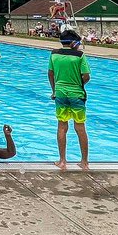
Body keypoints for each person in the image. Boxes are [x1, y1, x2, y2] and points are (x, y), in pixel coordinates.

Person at [49, 30, 90, 170]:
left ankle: (62, 161)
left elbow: (50, 74)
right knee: (80, 127)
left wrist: (54, 90)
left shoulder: (54, 54)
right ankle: (84, 162)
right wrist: (78, 85)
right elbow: (86, 76)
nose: (79, 46)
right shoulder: (80, 56)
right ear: (73, 43)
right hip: (77, 94)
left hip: (60, 93)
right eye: (78, 43)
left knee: (62, 127)